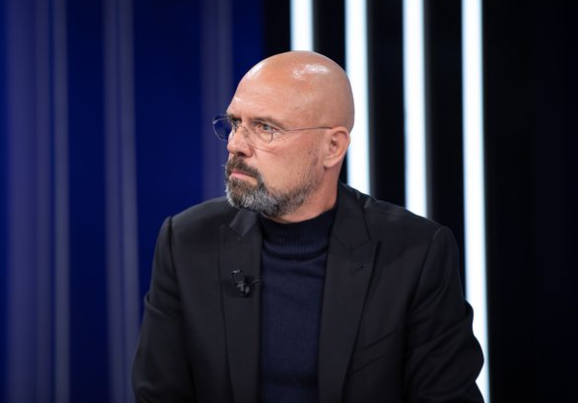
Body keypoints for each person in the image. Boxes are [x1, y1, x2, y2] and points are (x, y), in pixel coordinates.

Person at [132, 51, 484, 403]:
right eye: (236, 122)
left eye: (265, 127)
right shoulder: (185, 242)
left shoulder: (416, 253)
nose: (236, 144)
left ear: (333, 147)